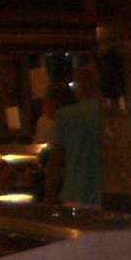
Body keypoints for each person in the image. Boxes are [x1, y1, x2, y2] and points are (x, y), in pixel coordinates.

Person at [43, 64, 104, 207]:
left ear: (77, 86)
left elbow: (56, 161)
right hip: (106, 194)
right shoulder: (108, 113)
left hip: (75, 193)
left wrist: (49, 198)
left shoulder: (65, 116)